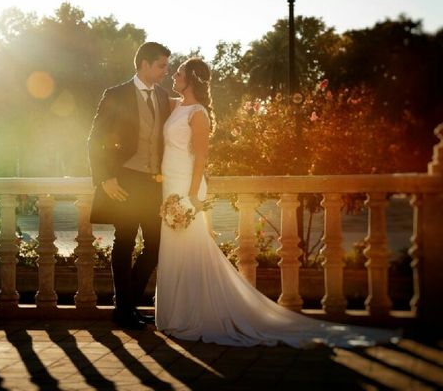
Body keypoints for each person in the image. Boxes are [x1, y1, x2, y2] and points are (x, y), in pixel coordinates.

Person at [155, 57, 400, 348]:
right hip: (168, 184)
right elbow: (151, 102)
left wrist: (194, 195)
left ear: (191, 79)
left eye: (179, 73)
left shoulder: (199, 114)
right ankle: (174, 314)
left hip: (187, 186)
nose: (173, 76)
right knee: (172, 247)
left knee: (191, 248)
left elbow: (202, 158)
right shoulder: (174, 105)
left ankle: (194, 315)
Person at [88, 41, 172, 330]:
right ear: (144, 64)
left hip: (153, 183)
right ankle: (125, 309)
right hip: (124, 180)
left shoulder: (163, 97)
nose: (166, 71)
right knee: (124, 243)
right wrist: (105, 178)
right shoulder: (116, 94)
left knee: (156, 245)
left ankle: (125, 306)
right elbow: (94, 140)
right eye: (161, 65)